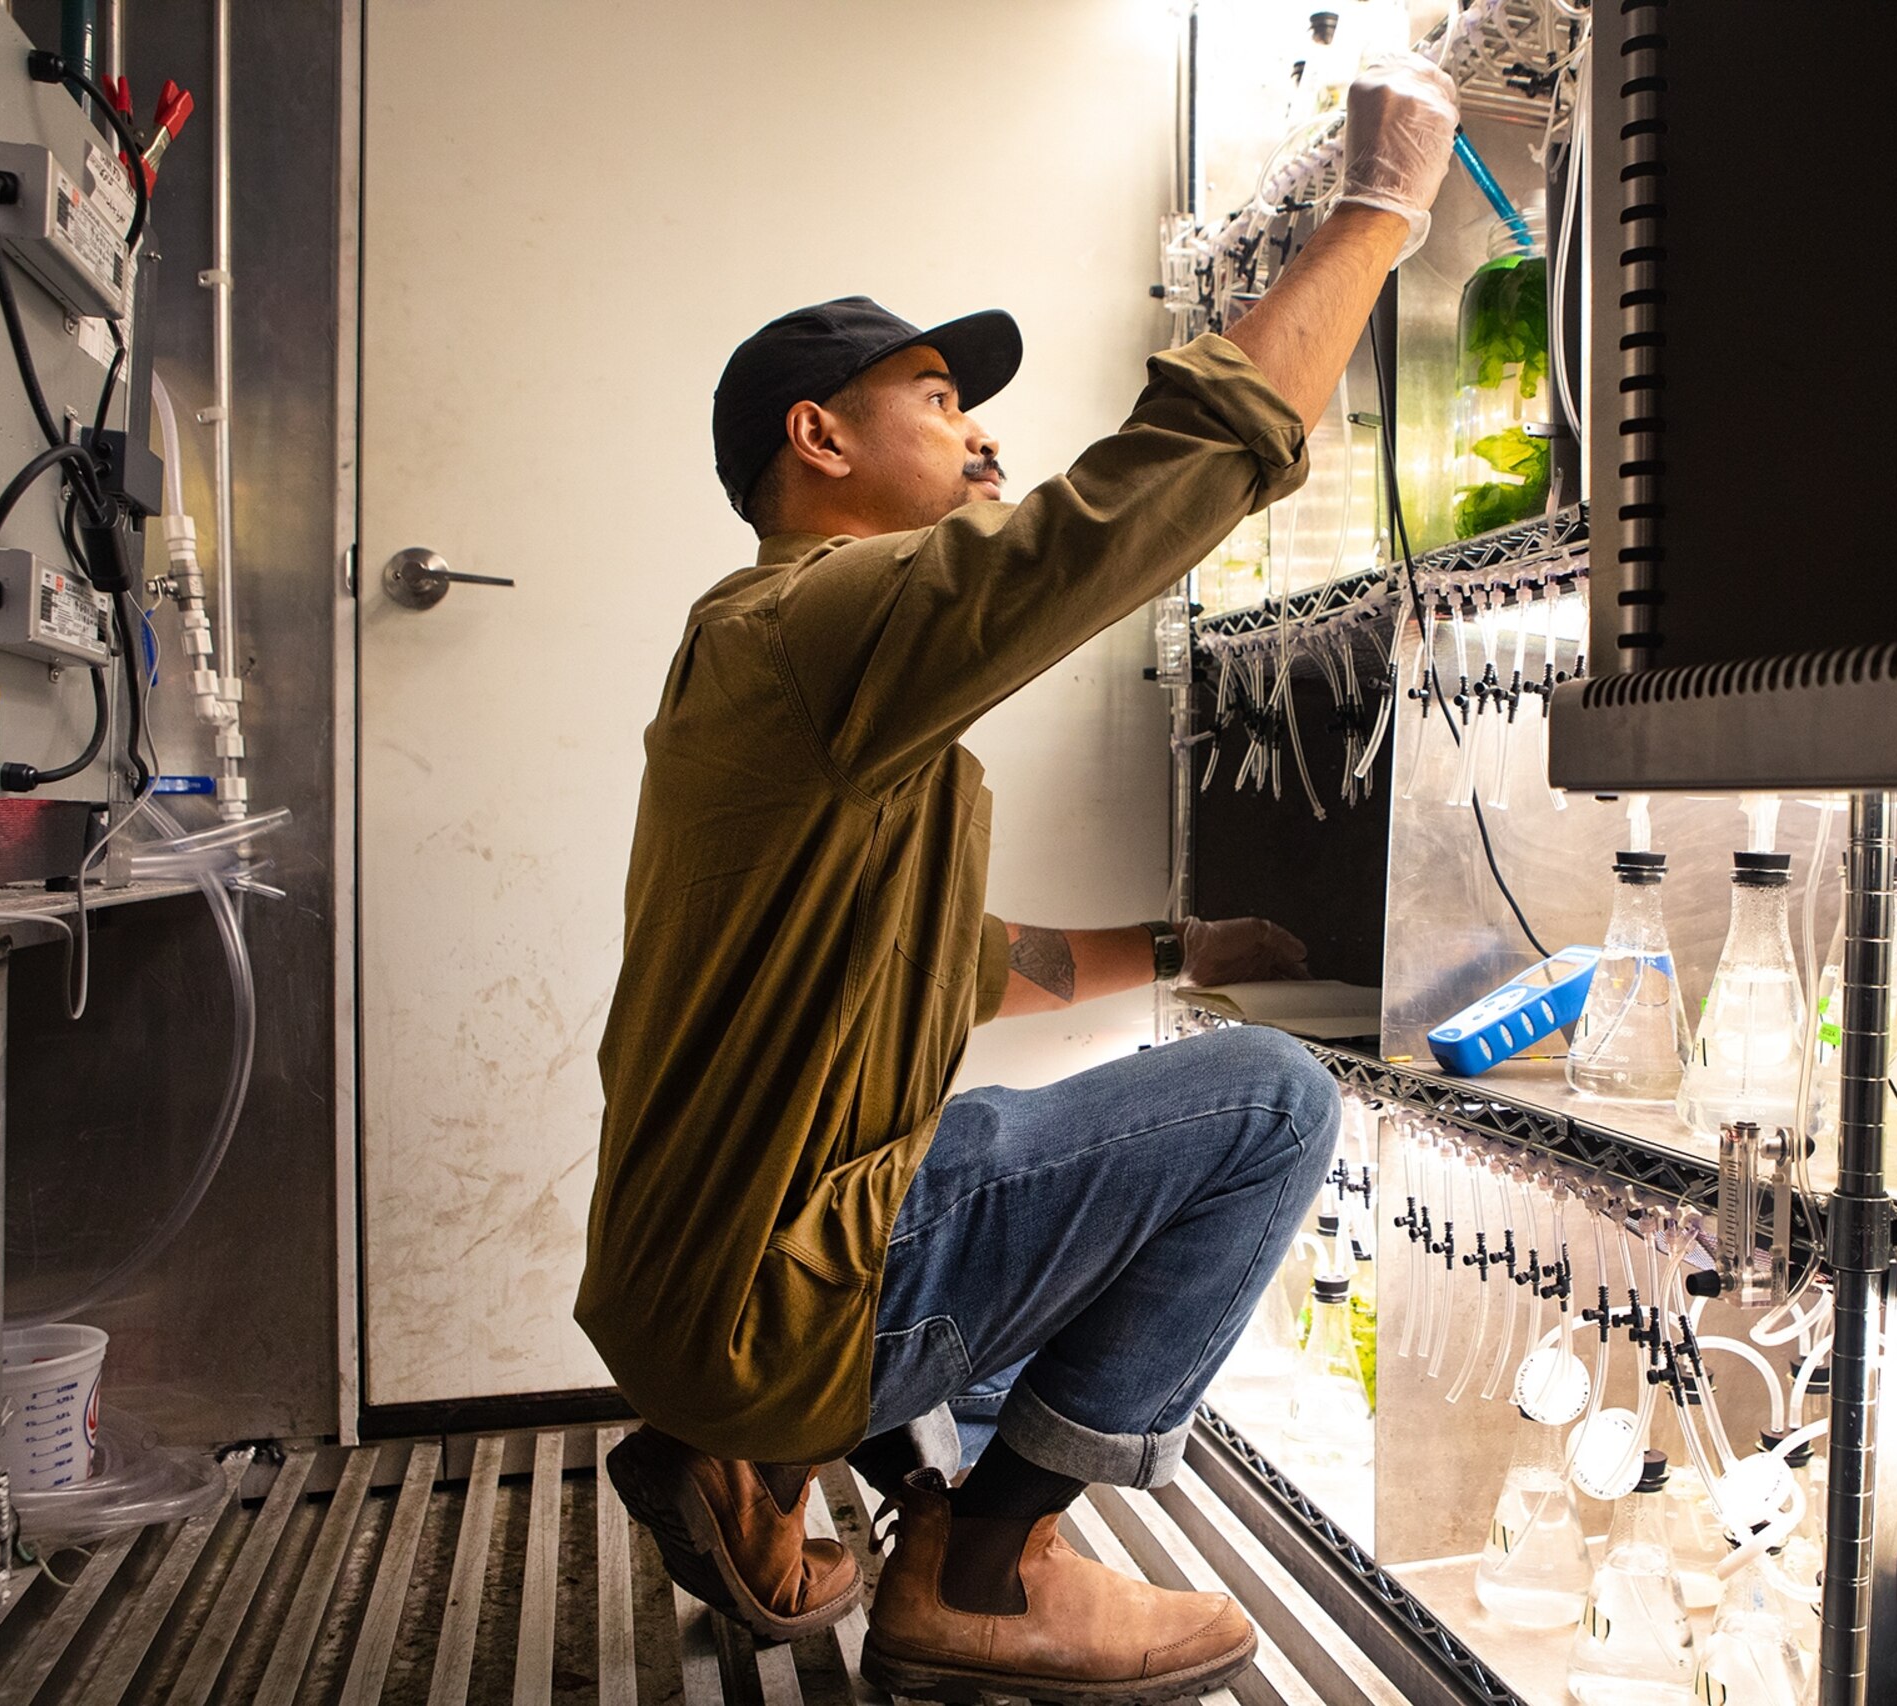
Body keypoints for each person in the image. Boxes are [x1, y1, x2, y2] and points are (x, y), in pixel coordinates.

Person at [577, 54, 1461, 1705]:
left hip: (685, 1290)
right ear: (817, 436)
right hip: (769, 1305)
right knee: (1268, 1104)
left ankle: (759, 1457)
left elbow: (946, 966)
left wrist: (1178, 941)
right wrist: (1377, 215)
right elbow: (1107, 523)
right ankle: (982, 1571)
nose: (978, 432)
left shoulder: (778, 678)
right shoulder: (812, 625)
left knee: (979, 1133)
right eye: (936, 403)